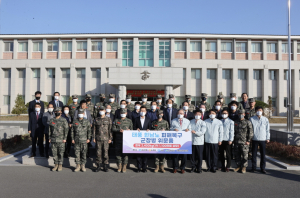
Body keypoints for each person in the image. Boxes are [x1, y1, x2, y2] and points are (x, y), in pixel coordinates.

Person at [112, 108, 133, 173]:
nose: (123, 114)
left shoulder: (129, 121)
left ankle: (124, 166)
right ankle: (119, 166)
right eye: (121, 113)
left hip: (126, 140)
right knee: (118, 153)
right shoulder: (116, 120)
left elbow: (132, 130)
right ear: (119, 113)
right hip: (118, 139)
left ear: (126, 113)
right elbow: (113, 128)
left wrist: (129, 131)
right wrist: (118, 130)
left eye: (124, 113)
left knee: (125, 153)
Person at [250, 106, 270, 174]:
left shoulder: (265, 119)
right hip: (254, 138)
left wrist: (268, 138)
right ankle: (253, 167)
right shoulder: (251, 119)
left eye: (260, 110)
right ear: (255, 111)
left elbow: (267, 130)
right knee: (254, 154)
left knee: (263, 154)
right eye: (258, 110)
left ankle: (263, 168)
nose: (259, 111)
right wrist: (250, 138)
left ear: (262, 111)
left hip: (263, 139)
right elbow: (250, 130)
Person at [170, 109, 191, 174]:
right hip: (176, 140)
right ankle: (175, 167)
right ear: (177, 114)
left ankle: (182, 168)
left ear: (184, 114)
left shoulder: (187, 121)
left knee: (184, 155)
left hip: (184, 140)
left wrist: (188, 129)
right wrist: (173, 129)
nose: (180, 114)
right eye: (179, 113)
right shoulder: (173, 120)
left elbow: (190, 128)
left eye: (181, 113)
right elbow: (170, 129)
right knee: (175, 154)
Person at [49, 107, 69, 172]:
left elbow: (66, 130)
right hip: (54, 139)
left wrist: (65, 138)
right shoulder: (52, 120)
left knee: (60, 153)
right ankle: (56, 165)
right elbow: (49, 130)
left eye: (58, 111)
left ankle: (60, 165)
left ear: (61, 112)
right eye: (56, 111)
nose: (57, 112)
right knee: (54, 153)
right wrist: (49, 138)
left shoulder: (63, 120)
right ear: (54, 112)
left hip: (61, 140)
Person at [233, 110, 253, 174]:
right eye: (239, 113)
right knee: (237, 155)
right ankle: (238, 166)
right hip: (236, 141)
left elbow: (250, 132)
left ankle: (244, 167)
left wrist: (248, 140)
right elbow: (233, 131)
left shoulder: (248, 122)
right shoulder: (235, 122)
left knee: (245, 155)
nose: (240, 114)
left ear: (244, 114)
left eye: (242, 113)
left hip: (244, 142)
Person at [93, 106, 113, 172]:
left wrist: (110, 138)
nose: (101, 111)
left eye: (102, 110)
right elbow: (94, 130)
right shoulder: (96, 119)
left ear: (105, 111)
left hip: (106, 139)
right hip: (98, 139)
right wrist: (93, 138)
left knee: (105, 153)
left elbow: (110, 129)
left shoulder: (108, 119)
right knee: (98, 153)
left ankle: (105, 166)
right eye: (100, 110)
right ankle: (98, 166)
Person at [133, 106, 152, 173]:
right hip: (138, 139)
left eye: (144, 111)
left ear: (146, 112)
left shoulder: (148, 119)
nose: (142, 112)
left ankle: (144, 168)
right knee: (138, 155)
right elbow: (134, 127)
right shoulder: (136, 119)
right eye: (141, 111)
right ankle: (138, 168)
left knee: (145, 155)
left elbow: (150, 128)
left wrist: (149, 129)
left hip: (145, 140)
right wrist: (136, 129)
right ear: (139, 111)